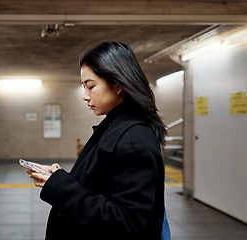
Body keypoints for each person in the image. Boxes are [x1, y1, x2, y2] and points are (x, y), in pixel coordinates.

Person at [26, 41, 170, 239]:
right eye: (84, 87)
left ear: (118, 84)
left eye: (91, 86)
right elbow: (102, 184)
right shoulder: (114, 125)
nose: (85, 96)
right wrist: (59, 178)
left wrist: (61, 188)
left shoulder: (132, 139)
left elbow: (128, 222)